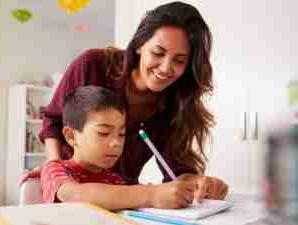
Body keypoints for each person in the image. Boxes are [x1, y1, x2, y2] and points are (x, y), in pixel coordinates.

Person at [33, 1, 228, 204]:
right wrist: (54, 166)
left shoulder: (175, 104)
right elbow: (54, 121)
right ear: (139, 45)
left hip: (125, 202)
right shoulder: (92, 64)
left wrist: (198, 183)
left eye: (179, 60)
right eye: (158, 53)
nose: (166, 68)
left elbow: (176, 170)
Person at [41, 85, 198, 209]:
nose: (116, 142)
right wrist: (151, 194)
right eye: (103, 133)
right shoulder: (55, 169)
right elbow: (74, 195)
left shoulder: (114, 180)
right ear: (71, 136)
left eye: (122, 134)